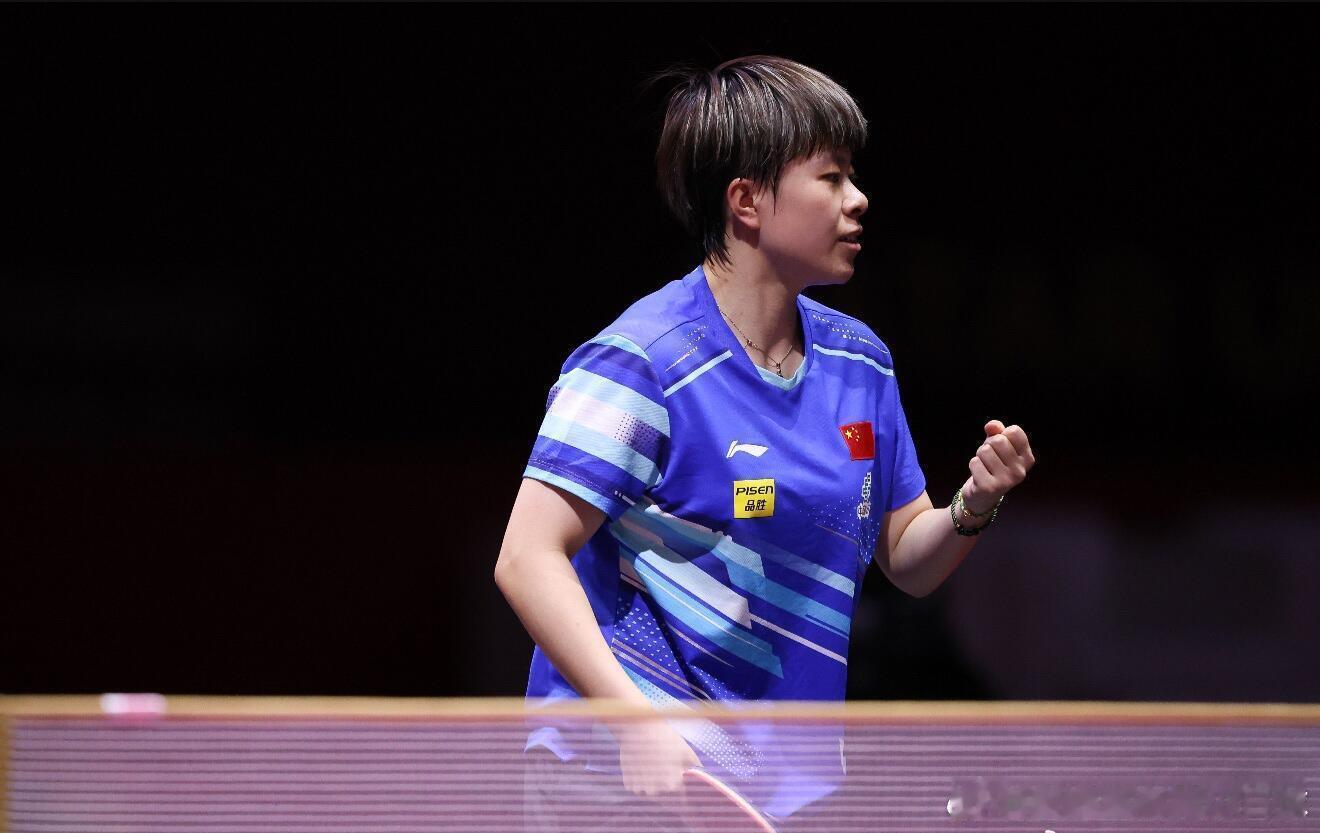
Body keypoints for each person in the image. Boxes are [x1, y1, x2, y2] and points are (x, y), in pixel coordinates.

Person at [494, 55, 1036, 830]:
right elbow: (526, 555)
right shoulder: (643, 364)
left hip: (775, 793)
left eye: (854, 176)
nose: (858, 199)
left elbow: (908, 559)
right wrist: (633, 720)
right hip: (619, 776)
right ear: (747, 201)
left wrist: (973, 505)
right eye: (832, 177)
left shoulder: (859, 365)